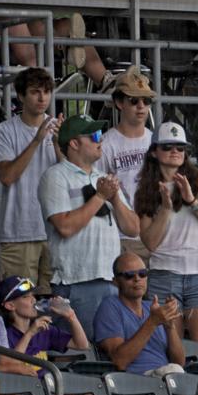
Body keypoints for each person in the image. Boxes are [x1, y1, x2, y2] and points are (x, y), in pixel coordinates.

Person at [40, 116, 140, 338]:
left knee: (112, 350)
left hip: (111, 280)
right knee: (79, 351)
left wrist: (113, 199)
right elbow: (64, 226)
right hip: (77, 281)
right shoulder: (55, 176)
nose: (100, 140)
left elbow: (133, 228)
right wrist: (100, 197)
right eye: (93, 136)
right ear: (74, 143)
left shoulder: (103, 177)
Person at [134, 127, 198, 341]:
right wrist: (165, 209)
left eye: (180, 147)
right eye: (167, 147)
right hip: (164, 273)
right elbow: (150, 243)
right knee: (171, 345)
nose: (175, 151)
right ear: (154, 152)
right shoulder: (146, 189)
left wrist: (193, 202)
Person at [0, 67, 59, 291]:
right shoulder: (5, 130)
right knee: (18, 301)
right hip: (18, 232)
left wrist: (60, 144)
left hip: (55, 230)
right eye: (35, 92)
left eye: (47, 91)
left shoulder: (58, 128)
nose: (42, 98)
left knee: (55, 303)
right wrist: (36, 141)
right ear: (21, 96)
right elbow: (7, 177)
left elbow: (71, 175)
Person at [93, 254, 184, 375]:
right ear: (115, 281)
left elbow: (179, 363)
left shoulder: (152, 308)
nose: (137, 279)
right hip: (136, 380)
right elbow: (119, 361)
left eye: (142, 273)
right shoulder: (109, 307)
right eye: (129, 275)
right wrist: (152, 322)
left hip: (166, 377)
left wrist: (169, 327)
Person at [97, 71, 158, 210]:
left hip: (152, 224)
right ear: (119, 103)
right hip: (118, 227)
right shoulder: (105, 144)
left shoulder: (155, 141)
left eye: (146, 100)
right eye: (134, 100)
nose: (141, 106)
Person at [0, 275, 89, 361]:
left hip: (46, 377)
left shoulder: (44, 329)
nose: (33, 300)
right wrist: (30, 333)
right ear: (10, 305)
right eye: (26, 297)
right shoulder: (4, 335)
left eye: (33, 295)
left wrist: (71, 316)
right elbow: (11, 364)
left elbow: (82, 345)